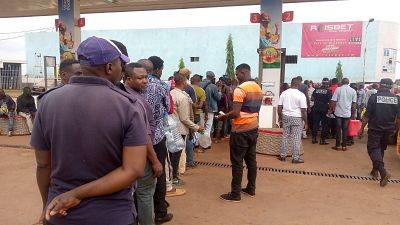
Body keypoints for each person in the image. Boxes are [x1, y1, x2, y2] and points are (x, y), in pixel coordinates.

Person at [31, 36, 148, 225]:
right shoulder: (129, 106)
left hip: (61, 215)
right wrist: (76, 194)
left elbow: (43, 165)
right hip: (112, 216)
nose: (122, 69)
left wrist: (47, 207)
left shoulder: (48, 102)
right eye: (120, 64)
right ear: (110, 67)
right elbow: (133, 169)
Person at [120, 62, 164, 225]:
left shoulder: (124, 95)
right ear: (128, 78)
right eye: (140, 78)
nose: (145, 81)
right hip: (141, 154)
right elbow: (144, 135)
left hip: (129, 154)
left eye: (146, 77)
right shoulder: (134, 101)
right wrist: (155, 160)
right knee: (145, 193)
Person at [216, 63, 263, 202]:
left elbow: (236, 113)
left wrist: (222, 117)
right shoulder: (257, 87)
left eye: (237, 74)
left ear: (243, 72)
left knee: (237, 162)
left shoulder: (240, 89)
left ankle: (235, 194)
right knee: (251, 160)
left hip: (240, 130)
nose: (236, 77)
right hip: (253, 127)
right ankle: (251, 188)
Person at [138, 56, 174, 224]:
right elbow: (168, 107)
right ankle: (160, 211)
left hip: (135, 138)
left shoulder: (127, 86)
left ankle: (140, 212)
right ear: (156, 70)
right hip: (156, 136)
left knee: (137, 175)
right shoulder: (160, 86)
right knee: (158, 173)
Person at [359, 78, 399, 187]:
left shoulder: (374, 98)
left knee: (372, 148)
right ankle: (374, 170)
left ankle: (382, 171)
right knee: (380, 148)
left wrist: (362, 128)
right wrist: (395, 129)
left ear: (380, 85)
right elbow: (398, 118)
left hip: (375, 129)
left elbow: (367, 116)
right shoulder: (396, 98)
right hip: (389, 129)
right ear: (391, 86)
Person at [169, 73, 204, 183]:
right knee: (176, 156)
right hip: (179, 130)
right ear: (184, 82)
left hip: (170, 128)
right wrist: (196, 127)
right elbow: (184, 118)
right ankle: (174, 177)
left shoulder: (170, 93)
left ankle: (171, 176)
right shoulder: (182, 97)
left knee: (170, 156)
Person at [278, 77, 307, 164]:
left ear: (291, 83)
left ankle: (282, 156)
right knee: (296, 138)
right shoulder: (301, 95)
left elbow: (279, 107)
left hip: (286, 116)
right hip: (297, 118)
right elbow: (303, 110)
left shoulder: (284, 93)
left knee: (285, 136)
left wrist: (280, 117)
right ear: (298, 84)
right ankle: (295, 158)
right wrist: (306, 122)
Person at [330, 78, 357, 151]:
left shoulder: (338, 89)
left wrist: (330, 110)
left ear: (342, 82)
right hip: (347, 113)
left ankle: (338, 146)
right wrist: (353, 113)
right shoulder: (353, 91)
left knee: (338, 129)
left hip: (338, 112)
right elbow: (354, 104)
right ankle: (344, 146)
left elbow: (333, 101)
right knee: (345, 129)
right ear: (348, 83)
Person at [199, 71, 221, 149]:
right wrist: (220, 92)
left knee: (201, 127)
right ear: (211, 77)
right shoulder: (213, 86)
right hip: (210, 109)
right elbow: (218, 98)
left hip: (200, 109)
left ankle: (200, 144)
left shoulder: (199, 84)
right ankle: (206, 144)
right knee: (208, 127)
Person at [311, 78, 332, 145]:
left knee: (315, 124)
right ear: (327, 83)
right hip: (324, 109)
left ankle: (314, 138)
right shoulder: (328, 91)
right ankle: (323, 140)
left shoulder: (316, 90)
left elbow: (312, 98)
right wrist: (330, 109)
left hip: (316, 108)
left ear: (322, 83)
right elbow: (330, 101)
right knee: (324, 125)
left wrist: (317, 100)